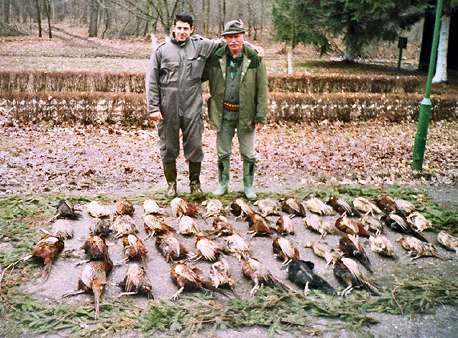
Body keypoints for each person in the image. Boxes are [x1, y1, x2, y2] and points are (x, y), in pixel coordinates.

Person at [146, 13, 220, 197]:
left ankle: (195, 184)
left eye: (186, 28)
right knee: (168, 147)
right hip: (167, 107)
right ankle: (171, 185)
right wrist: (153, 108)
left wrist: (252, 48)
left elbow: (225, 43)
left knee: (195, 145)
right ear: (173, 28)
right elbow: (151, 80)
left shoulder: (200, 45)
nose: (182, 32)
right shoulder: (161, 51)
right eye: (179, 28)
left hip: (192, 105)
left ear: (192, 29)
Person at [203, 19, 268, 199]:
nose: (233, 41)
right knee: (223, 151)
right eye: (229, 37)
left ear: (243, 37)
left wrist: (261, 116)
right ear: (224, 38)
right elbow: (199, 75)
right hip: (223, 113)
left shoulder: (255, 59)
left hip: (246, 114)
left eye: (237, 36)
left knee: (248, 153)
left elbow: (263, 89)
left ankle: (248, 185)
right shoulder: (216, 57)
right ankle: (223, 184)